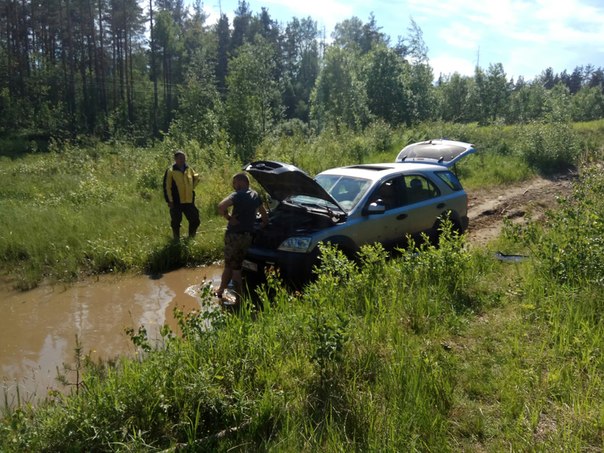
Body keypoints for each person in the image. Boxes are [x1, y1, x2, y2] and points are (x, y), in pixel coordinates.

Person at [215, 172, 268, 303]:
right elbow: (264, 214)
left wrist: (228, 218)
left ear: (242, 182)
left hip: (234, 235)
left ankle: (239, 299)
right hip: (247, 236)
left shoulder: (237, 195)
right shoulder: (255, 195)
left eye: (235, 183)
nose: (234, 186)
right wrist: (262, 225)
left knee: (235, 268)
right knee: (231, 264)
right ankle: (221, 290)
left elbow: (221, 206)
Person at [163, 150, 201, 240]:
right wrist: (169, 200)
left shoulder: (189, 169)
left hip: (188, 200)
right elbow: (166, 186)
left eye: (184, 158)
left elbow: (196, 178)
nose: (182, 160)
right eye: (180, 158)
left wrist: (191, 188)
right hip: (176, 201)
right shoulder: (170, 170)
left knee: (195, 219)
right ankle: (176, 239)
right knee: (176, 221)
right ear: (175, 159)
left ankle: (191, 238)